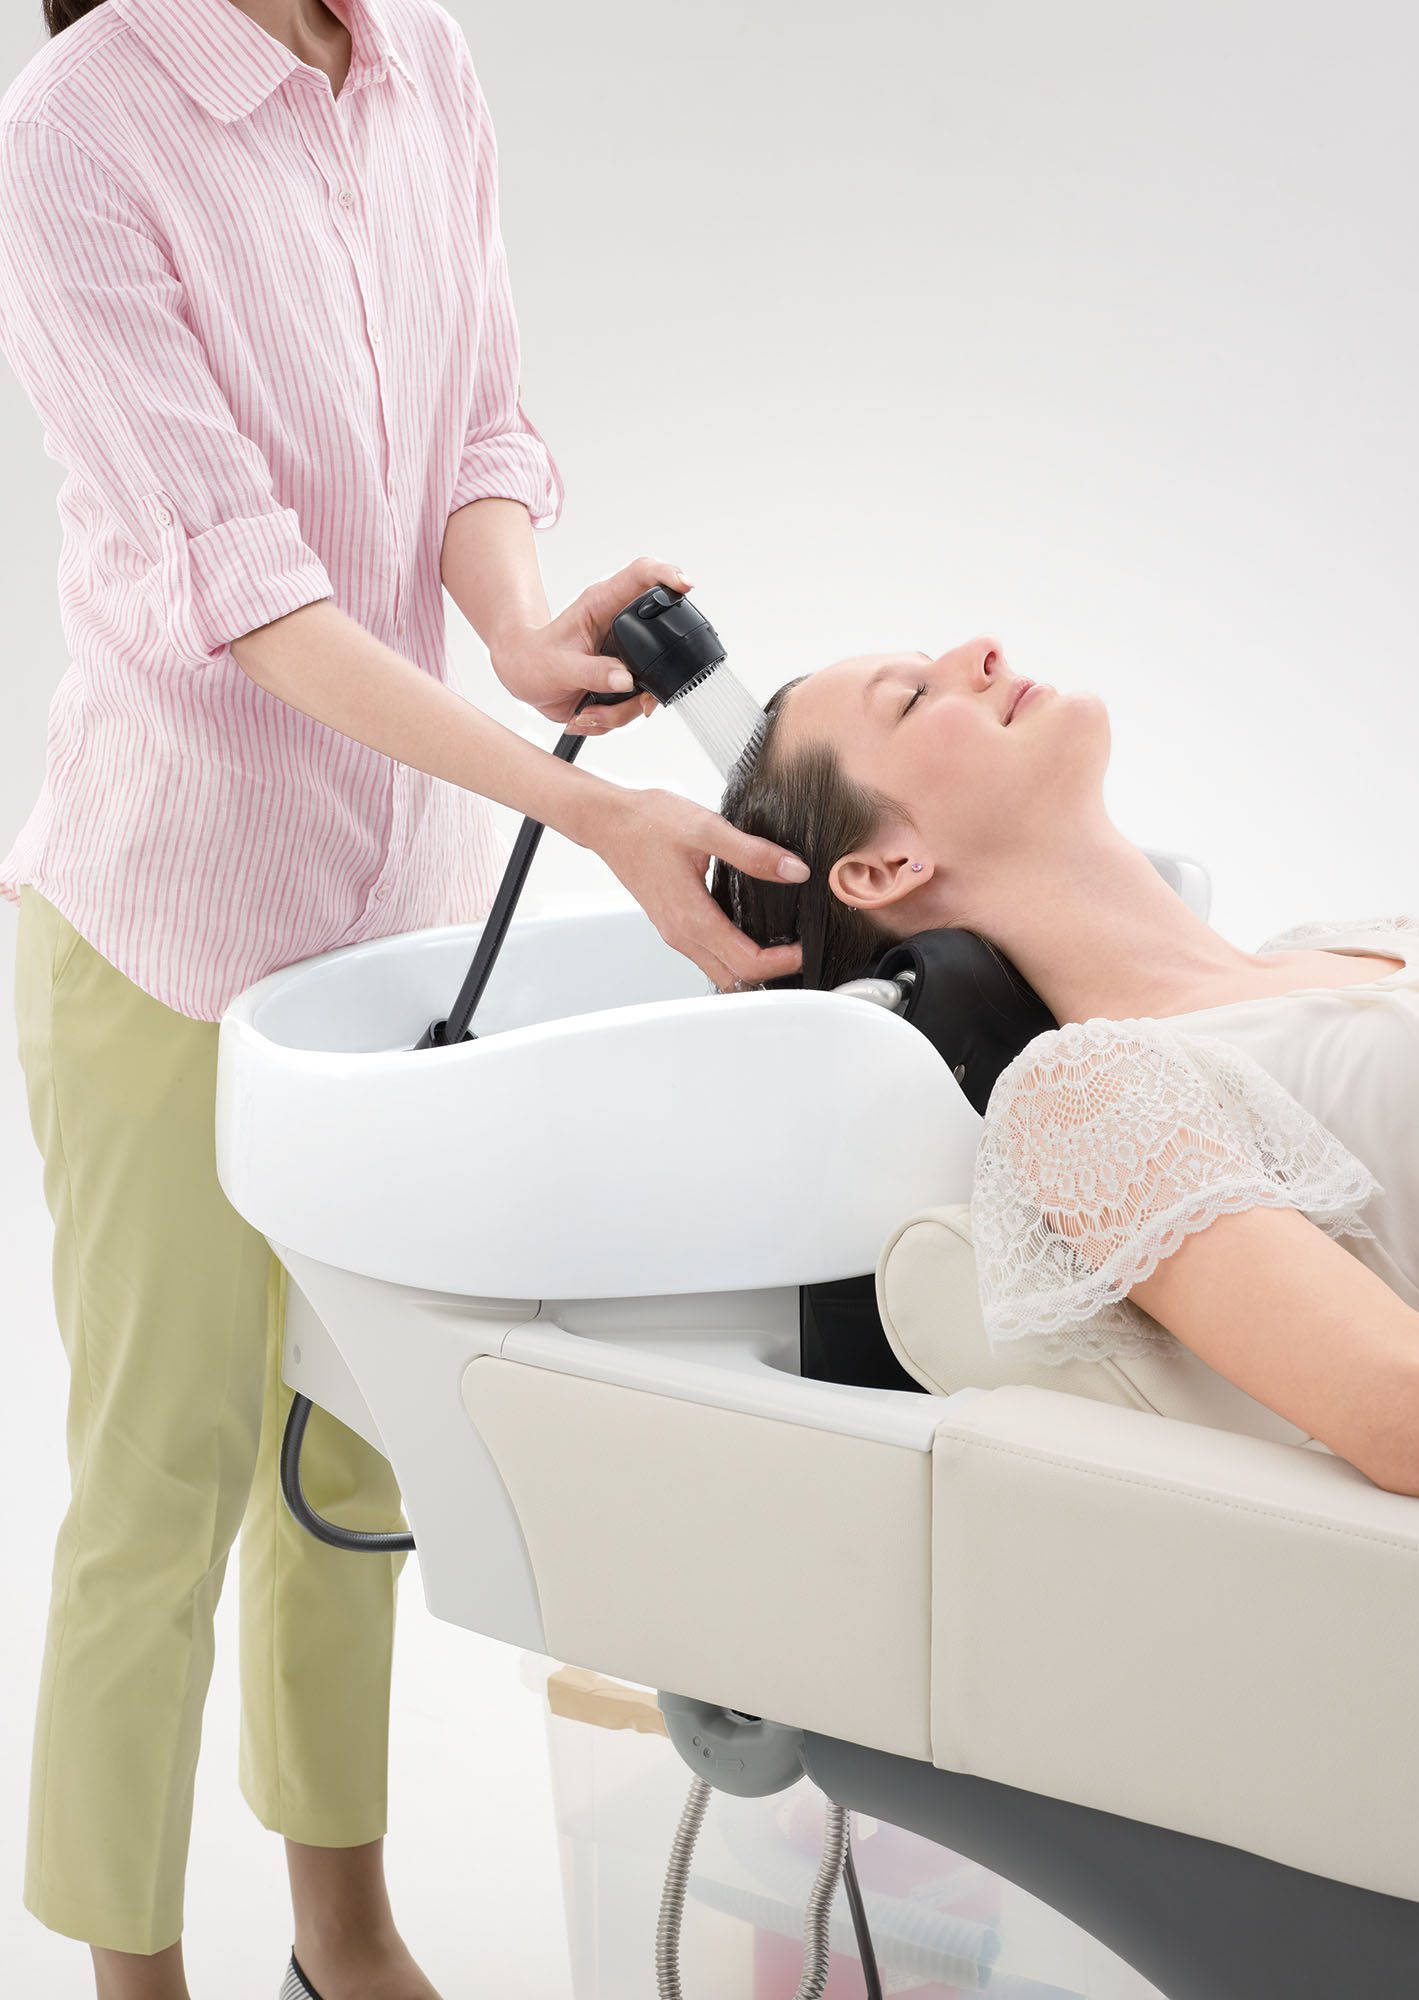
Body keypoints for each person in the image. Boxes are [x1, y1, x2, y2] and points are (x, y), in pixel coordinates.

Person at [0, 1, 808, 1995]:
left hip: (395, 912)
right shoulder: (77, 125)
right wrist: (581, 806)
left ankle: (345, 1936)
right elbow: (251, 594)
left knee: (348, 1449)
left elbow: (476, 434)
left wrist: (519, 626)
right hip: (169, 922)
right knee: (162, 1484)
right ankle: (130, 1977)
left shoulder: (418, 57)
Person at [708, 633, 1419, 1504]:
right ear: (885, 868)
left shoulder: (1359, 942)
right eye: (913, 698)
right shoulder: (1089, 1097)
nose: (982, 651)